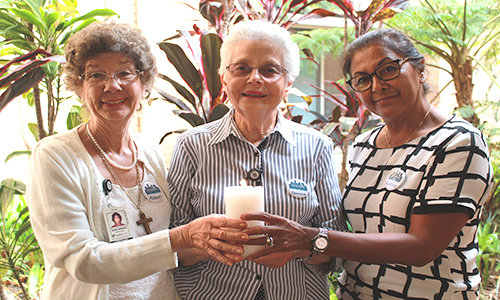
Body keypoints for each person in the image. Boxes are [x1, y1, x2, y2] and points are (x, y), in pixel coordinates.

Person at [240, 28, 493, 299]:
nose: (377, 86)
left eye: (387, 69)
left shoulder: (458, 142)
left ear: (420, 69)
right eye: (362, 79)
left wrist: (310, 238)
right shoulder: (364, 145)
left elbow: (423, 247)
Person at [27, 21, 249, 300]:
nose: (112, 85)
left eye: (125, 72)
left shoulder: (148, 150)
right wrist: (183, 236)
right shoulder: (55, 156)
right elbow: (83, 260)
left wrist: (218, 239)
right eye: (96, 75)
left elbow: (165, 246)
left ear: (143, 82)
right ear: (79, 86)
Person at [168, 20, 345, 300]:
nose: (254, 79)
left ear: (287, 83)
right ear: (225, 79)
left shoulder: (317, 147)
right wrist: (210, 244)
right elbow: (170, 242)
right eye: (242, 68)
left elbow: (336, 242)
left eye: (269, 70)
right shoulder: (192, 145)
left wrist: (299, 247)